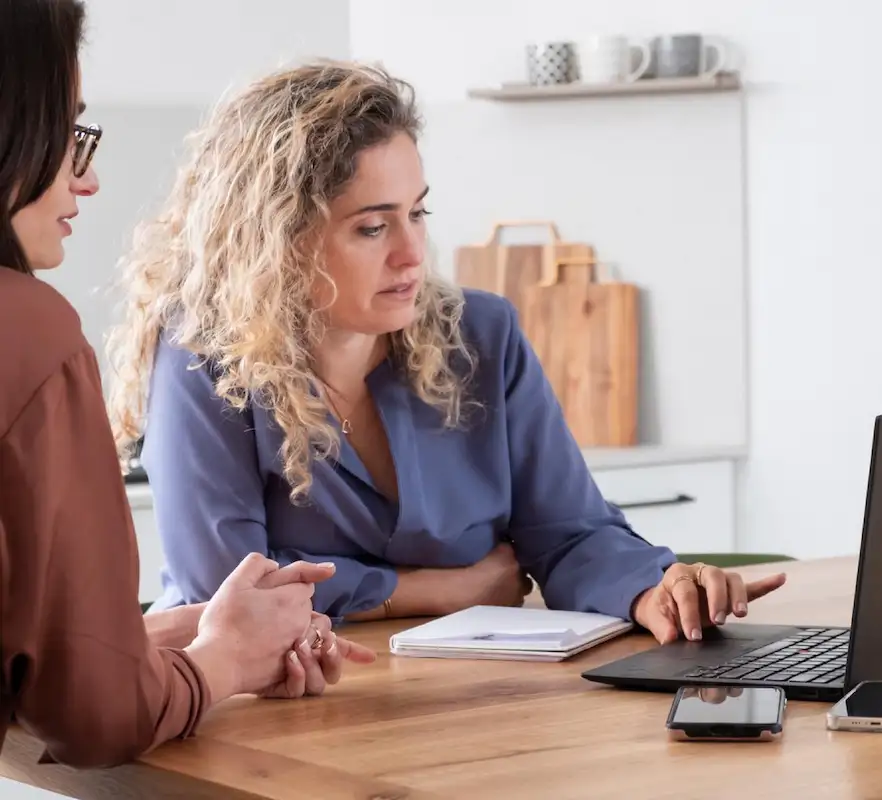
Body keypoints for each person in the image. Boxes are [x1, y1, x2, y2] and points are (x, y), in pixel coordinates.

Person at [105, 59, 786, 647]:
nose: (411, 254)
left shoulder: (482, 337)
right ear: (276, 241)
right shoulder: (203, 358)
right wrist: (435, 590)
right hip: (262, 711)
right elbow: (228, 593)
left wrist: (655, 588)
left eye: (417, 214)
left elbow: (572, 533)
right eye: (372, 227)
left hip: (460, 712)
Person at [0, 0, 374, 770]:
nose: (89, 176)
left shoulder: (483, 332)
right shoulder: (31, 333)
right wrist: (223, 662)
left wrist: (135, 643)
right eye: (68, 132)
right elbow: (97, 717)